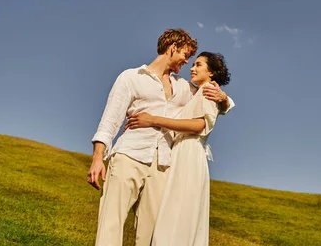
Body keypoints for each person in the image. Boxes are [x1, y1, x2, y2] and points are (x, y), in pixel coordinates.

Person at [86, 29, 232, 246]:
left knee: (151, 234)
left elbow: (207, 99)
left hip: (163, 164)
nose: (187, 61)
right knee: (111, 223)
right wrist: (98, 158)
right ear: (173, 47)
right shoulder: (131, 77)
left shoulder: (183, 87)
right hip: (130, 155)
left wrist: (225, 99)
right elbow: (109, 121)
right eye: (185, 54)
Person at [124, 51, 231, 246]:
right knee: (172, 215)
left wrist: (153, 119)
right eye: (193, 64)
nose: (192, 68)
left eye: (199, 64)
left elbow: (199, 125)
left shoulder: (208, 90)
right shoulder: (198, 92)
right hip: (181, 153)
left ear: (211, 73)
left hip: (190, 154)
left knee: (177, 215)